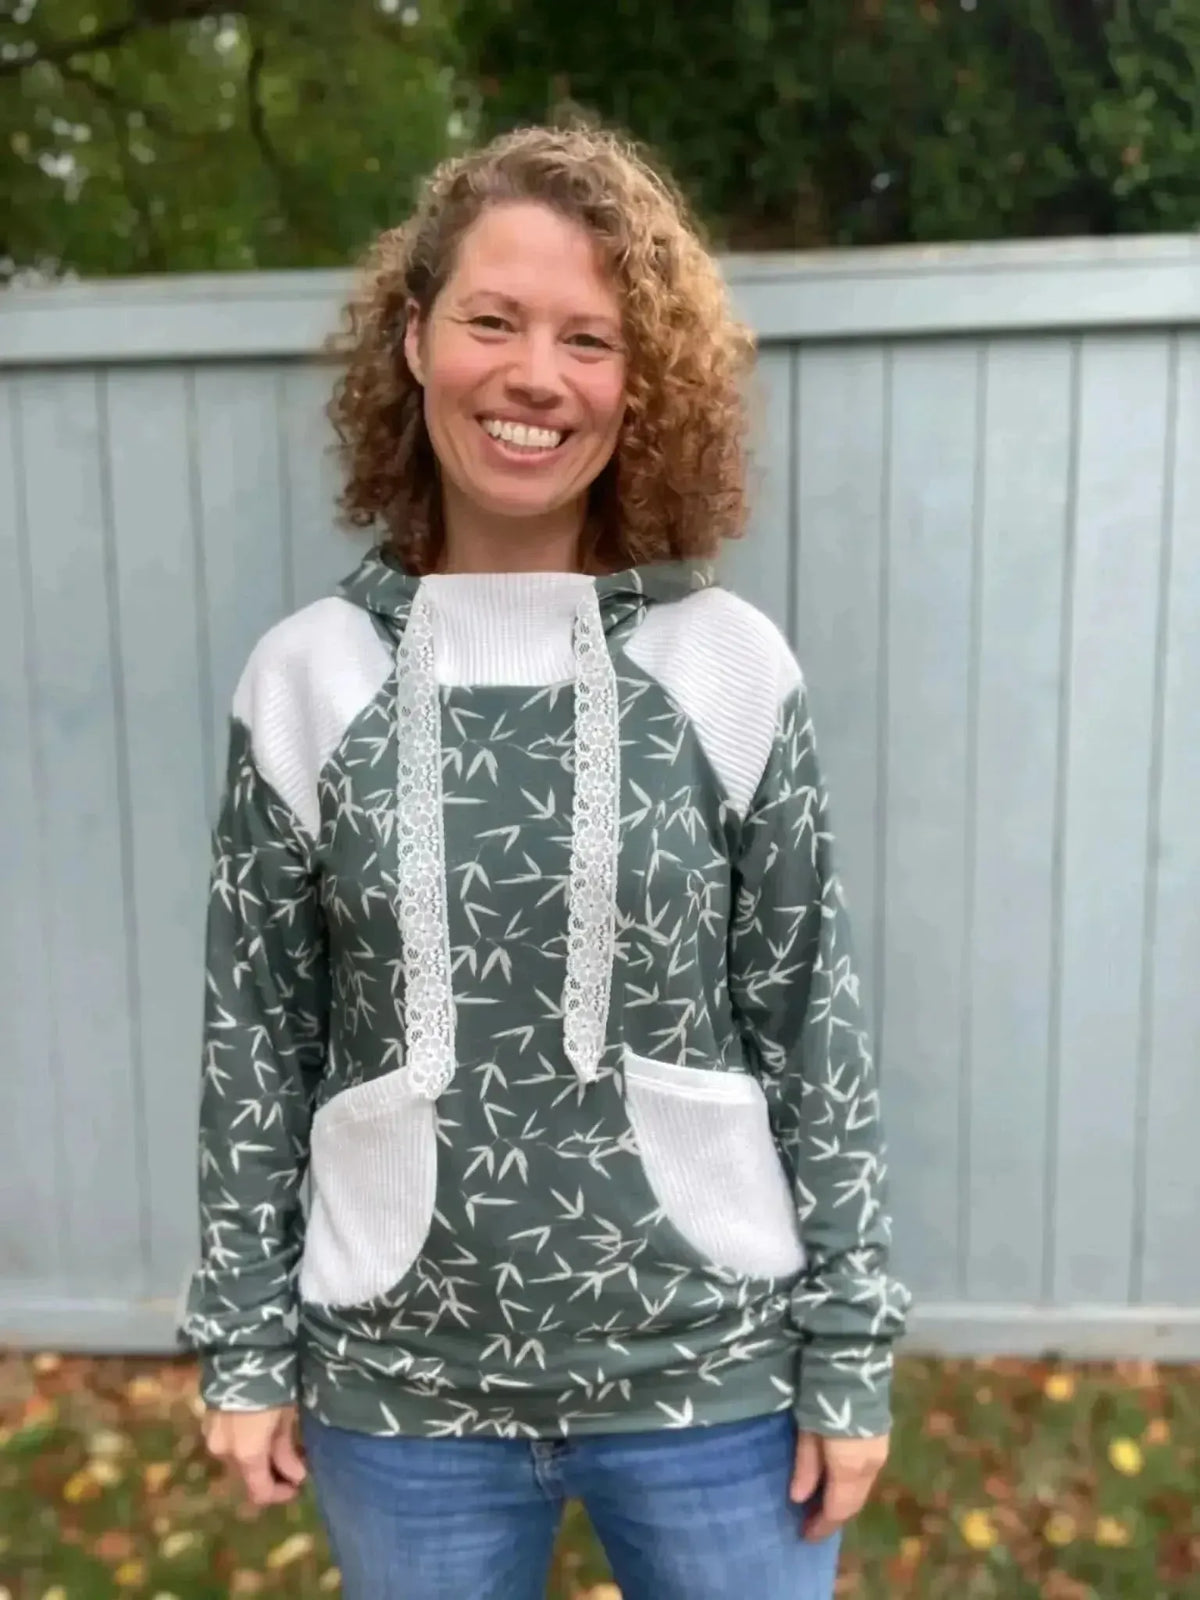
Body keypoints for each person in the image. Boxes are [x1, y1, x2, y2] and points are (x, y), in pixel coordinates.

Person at [177, 121, 911, 1600]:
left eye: (592, 337)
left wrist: (852, 1347)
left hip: (713, 1379)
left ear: (642, 386)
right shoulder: (307, 680)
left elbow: (809, 1020)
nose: (535, 375)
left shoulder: (726, 667)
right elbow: (258, 1041)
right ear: (412, 338)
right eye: (493, 320)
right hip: (400, 1391)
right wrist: (244, 1342)